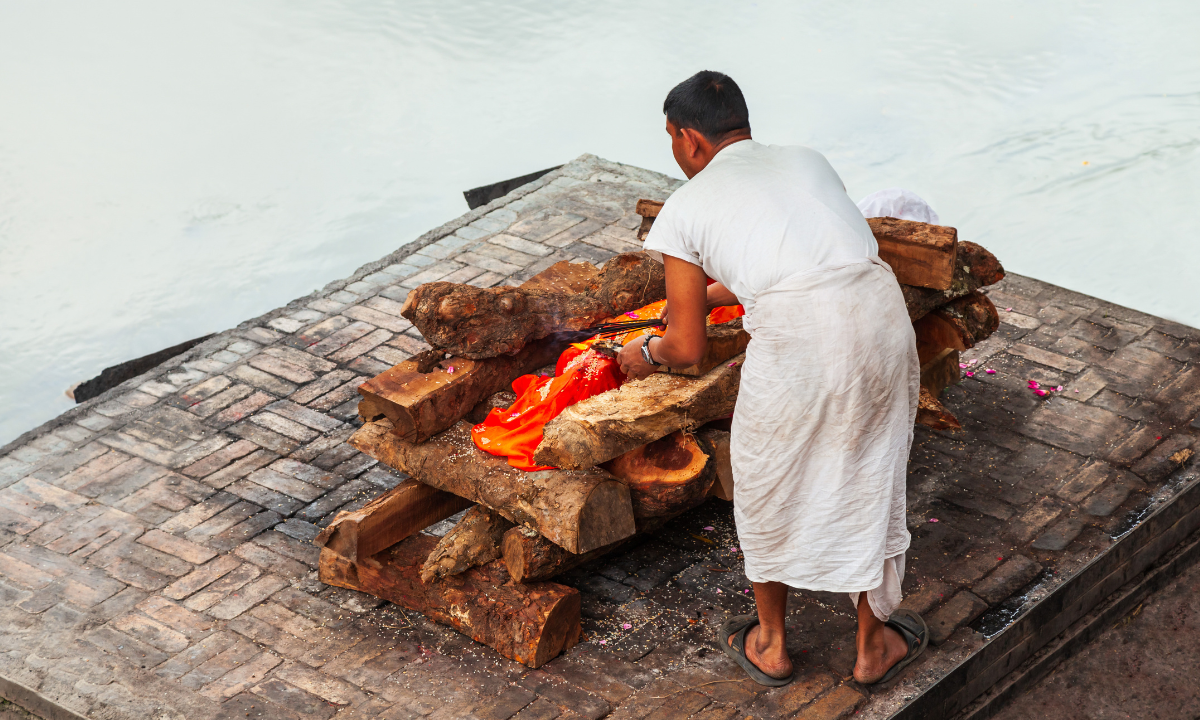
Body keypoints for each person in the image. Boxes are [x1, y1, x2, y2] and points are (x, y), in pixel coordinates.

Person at [616, 70, 928, 686]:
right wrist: (706, 296)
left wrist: (644, 355)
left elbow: (686, 348)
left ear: (690, 141)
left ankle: (772, 643)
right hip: (878, 314)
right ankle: (872, 648)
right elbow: (799, 254)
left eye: (672, 138)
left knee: (764, 475)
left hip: (800, 336)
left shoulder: (685, 207)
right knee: (870, 468)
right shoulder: (806, 160)